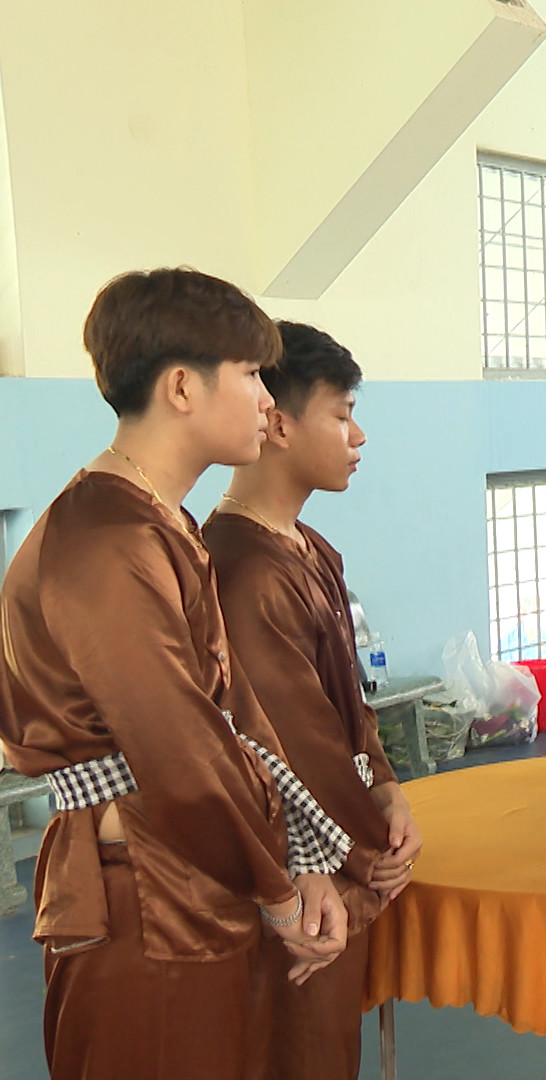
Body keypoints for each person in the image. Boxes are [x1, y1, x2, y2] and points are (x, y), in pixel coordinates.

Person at [0, 269, 350, 1080]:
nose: (267, 399)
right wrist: (280, 891)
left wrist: (296, 862)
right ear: (183, 387)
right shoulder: (108, 540)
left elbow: (232, 715)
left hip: (192, 873)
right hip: (144, 893)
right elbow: (182, 749)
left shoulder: (161, 522)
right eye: (252, 374)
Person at [203, 321, 423, 1080]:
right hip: (298, 871)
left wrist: (388, 789)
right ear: (277, 421)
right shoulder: (243, 570)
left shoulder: (311, 549)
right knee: (296, 1054)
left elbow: (348, 712)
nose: (357, 436)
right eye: (341, 414)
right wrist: (366, 850)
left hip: (339, 846)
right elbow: (296, 747)